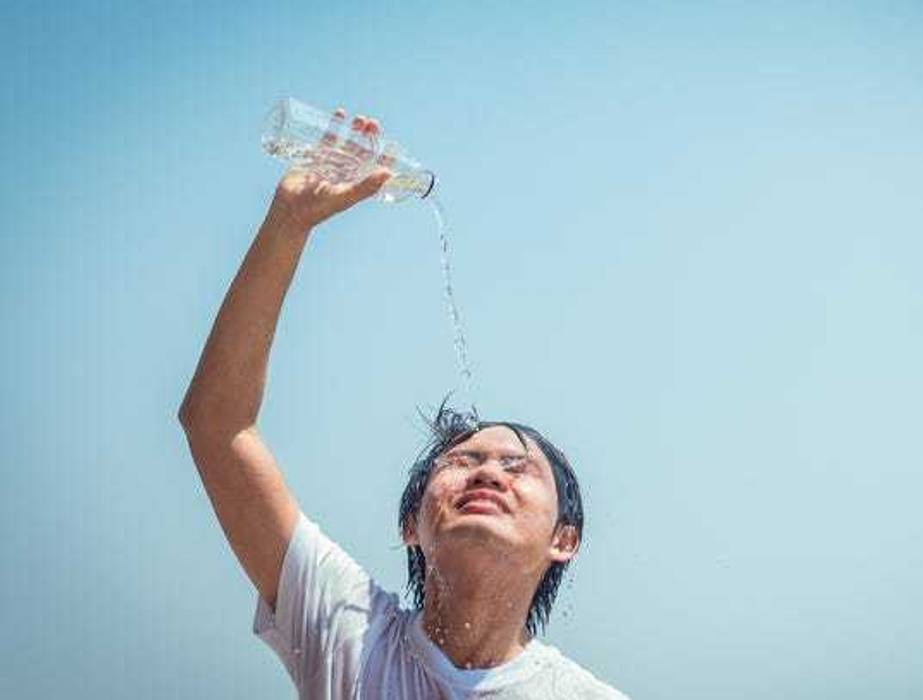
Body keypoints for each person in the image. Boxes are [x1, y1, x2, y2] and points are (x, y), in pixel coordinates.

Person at [177, 112, 628, 699]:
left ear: (564, 540)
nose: (489, 470)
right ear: (411, 525)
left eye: (518, 468)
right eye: (462, 463)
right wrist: (289, 222)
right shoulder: (350, 632)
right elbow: (216, 424)